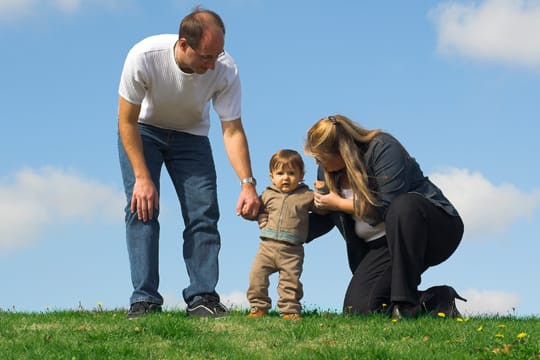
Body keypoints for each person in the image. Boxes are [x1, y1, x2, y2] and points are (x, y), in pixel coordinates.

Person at [117, 7, 260, 319]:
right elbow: (126, 121)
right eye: (206, 57)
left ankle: (202, 297)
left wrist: (248, 184)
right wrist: (143, 178)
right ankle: (144, 300)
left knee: (203, 212)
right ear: (183, 45)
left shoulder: (225, 69)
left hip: (191, 136)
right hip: (144, 130)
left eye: (218, 54)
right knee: (142, 208)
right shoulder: (144, 56)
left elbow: (232, 129)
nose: (212, 65)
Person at [304, 115, 465, 320]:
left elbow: (386, 206)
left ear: (340, 151)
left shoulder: (383, 148)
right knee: (360, 310)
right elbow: (327, 215)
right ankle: (437, 300)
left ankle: (404, 305)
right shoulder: (327, 171)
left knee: (403, 206)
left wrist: (338, 203)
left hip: (431, 229)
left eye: (320, 156)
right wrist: (281, 227)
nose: (317, 162)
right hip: (382, 245)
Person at [246, 149, 325, 320]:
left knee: (290, 282)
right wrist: (256, 214)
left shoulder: (306, 195)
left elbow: (323, 209)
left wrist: (323, 192)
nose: (285, 178)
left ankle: (290, 311)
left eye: (291, 173)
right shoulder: (268, 194)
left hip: (292, 250)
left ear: (301, 175)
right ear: (272, 176)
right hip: (266, 247)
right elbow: (254, 210)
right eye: (280, 173)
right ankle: (258, 308)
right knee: (256, 276)